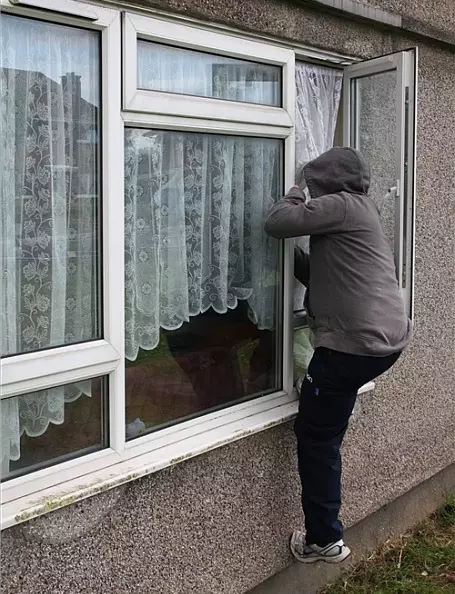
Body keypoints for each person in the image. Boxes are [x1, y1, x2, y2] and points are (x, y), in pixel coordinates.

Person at [264, 147, 413, 564]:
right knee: (328, 417)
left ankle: (324, 540)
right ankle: (328, 408)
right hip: (383, 343)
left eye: (313, 183)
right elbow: (327, 274)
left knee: (315, 438)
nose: (312, 191)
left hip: (354, 348)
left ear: (328, 181)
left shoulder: (342, 205)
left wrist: (293, 192)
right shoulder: (359, 211)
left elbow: (278, 222)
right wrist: (288, 262)